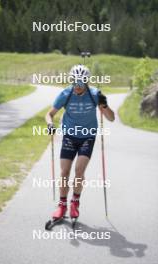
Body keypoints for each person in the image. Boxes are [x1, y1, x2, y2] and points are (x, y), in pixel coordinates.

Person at [45, 64, 115, 220]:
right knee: (64, 173)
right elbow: (49, 114)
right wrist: (50, 124)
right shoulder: (65, 94)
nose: (77, 86)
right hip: (69, 136)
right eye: (74, 82)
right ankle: (62, 206)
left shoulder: (95, 95)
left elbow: (111, 118)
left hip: (87, 136)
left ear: (87, 82)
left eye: (81, 83)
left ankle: (75, 203)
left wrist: (104, 105)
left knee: (79, 171)